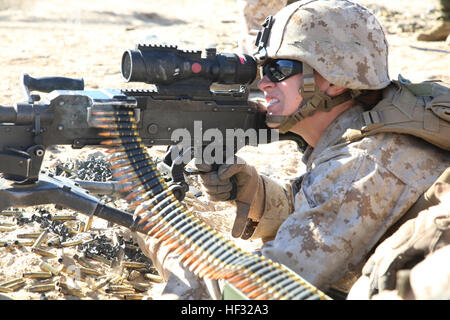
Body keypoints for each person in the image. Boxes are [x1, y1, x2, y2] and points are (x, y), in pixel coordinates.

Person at [135, 0, 450, 299]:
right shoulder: (369, 125)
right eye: (263, 68)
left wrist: (171, 249)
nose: (265, 83)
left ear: (334, 80)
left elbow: (252, 292)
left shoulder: (362, 164)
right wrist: (256, 195)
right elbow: (326, 209)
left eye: (281, 68)